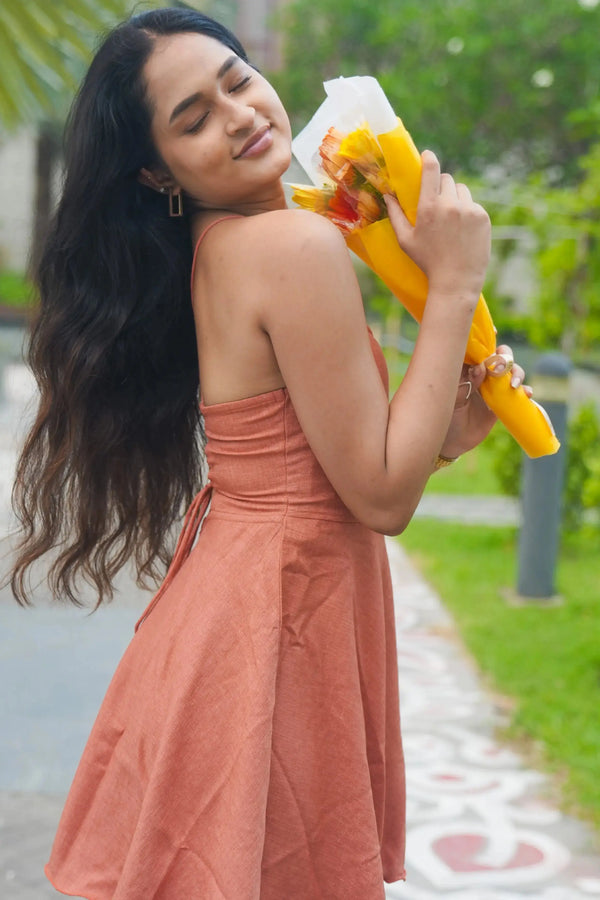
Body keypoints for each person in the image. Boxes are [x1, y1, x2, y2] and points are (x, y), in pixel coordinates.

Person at [10, 6, 530, 899]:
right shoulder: (291, 243)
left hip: (249, 600)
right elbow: (378, 500)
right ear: (155, 170)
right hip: (279, 617)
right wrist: (455, 285)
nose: (240, 114)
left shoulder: (227, 244)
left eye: (236, 81)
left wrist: (443, 437)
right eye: (193, 118)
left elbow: (325, 462)